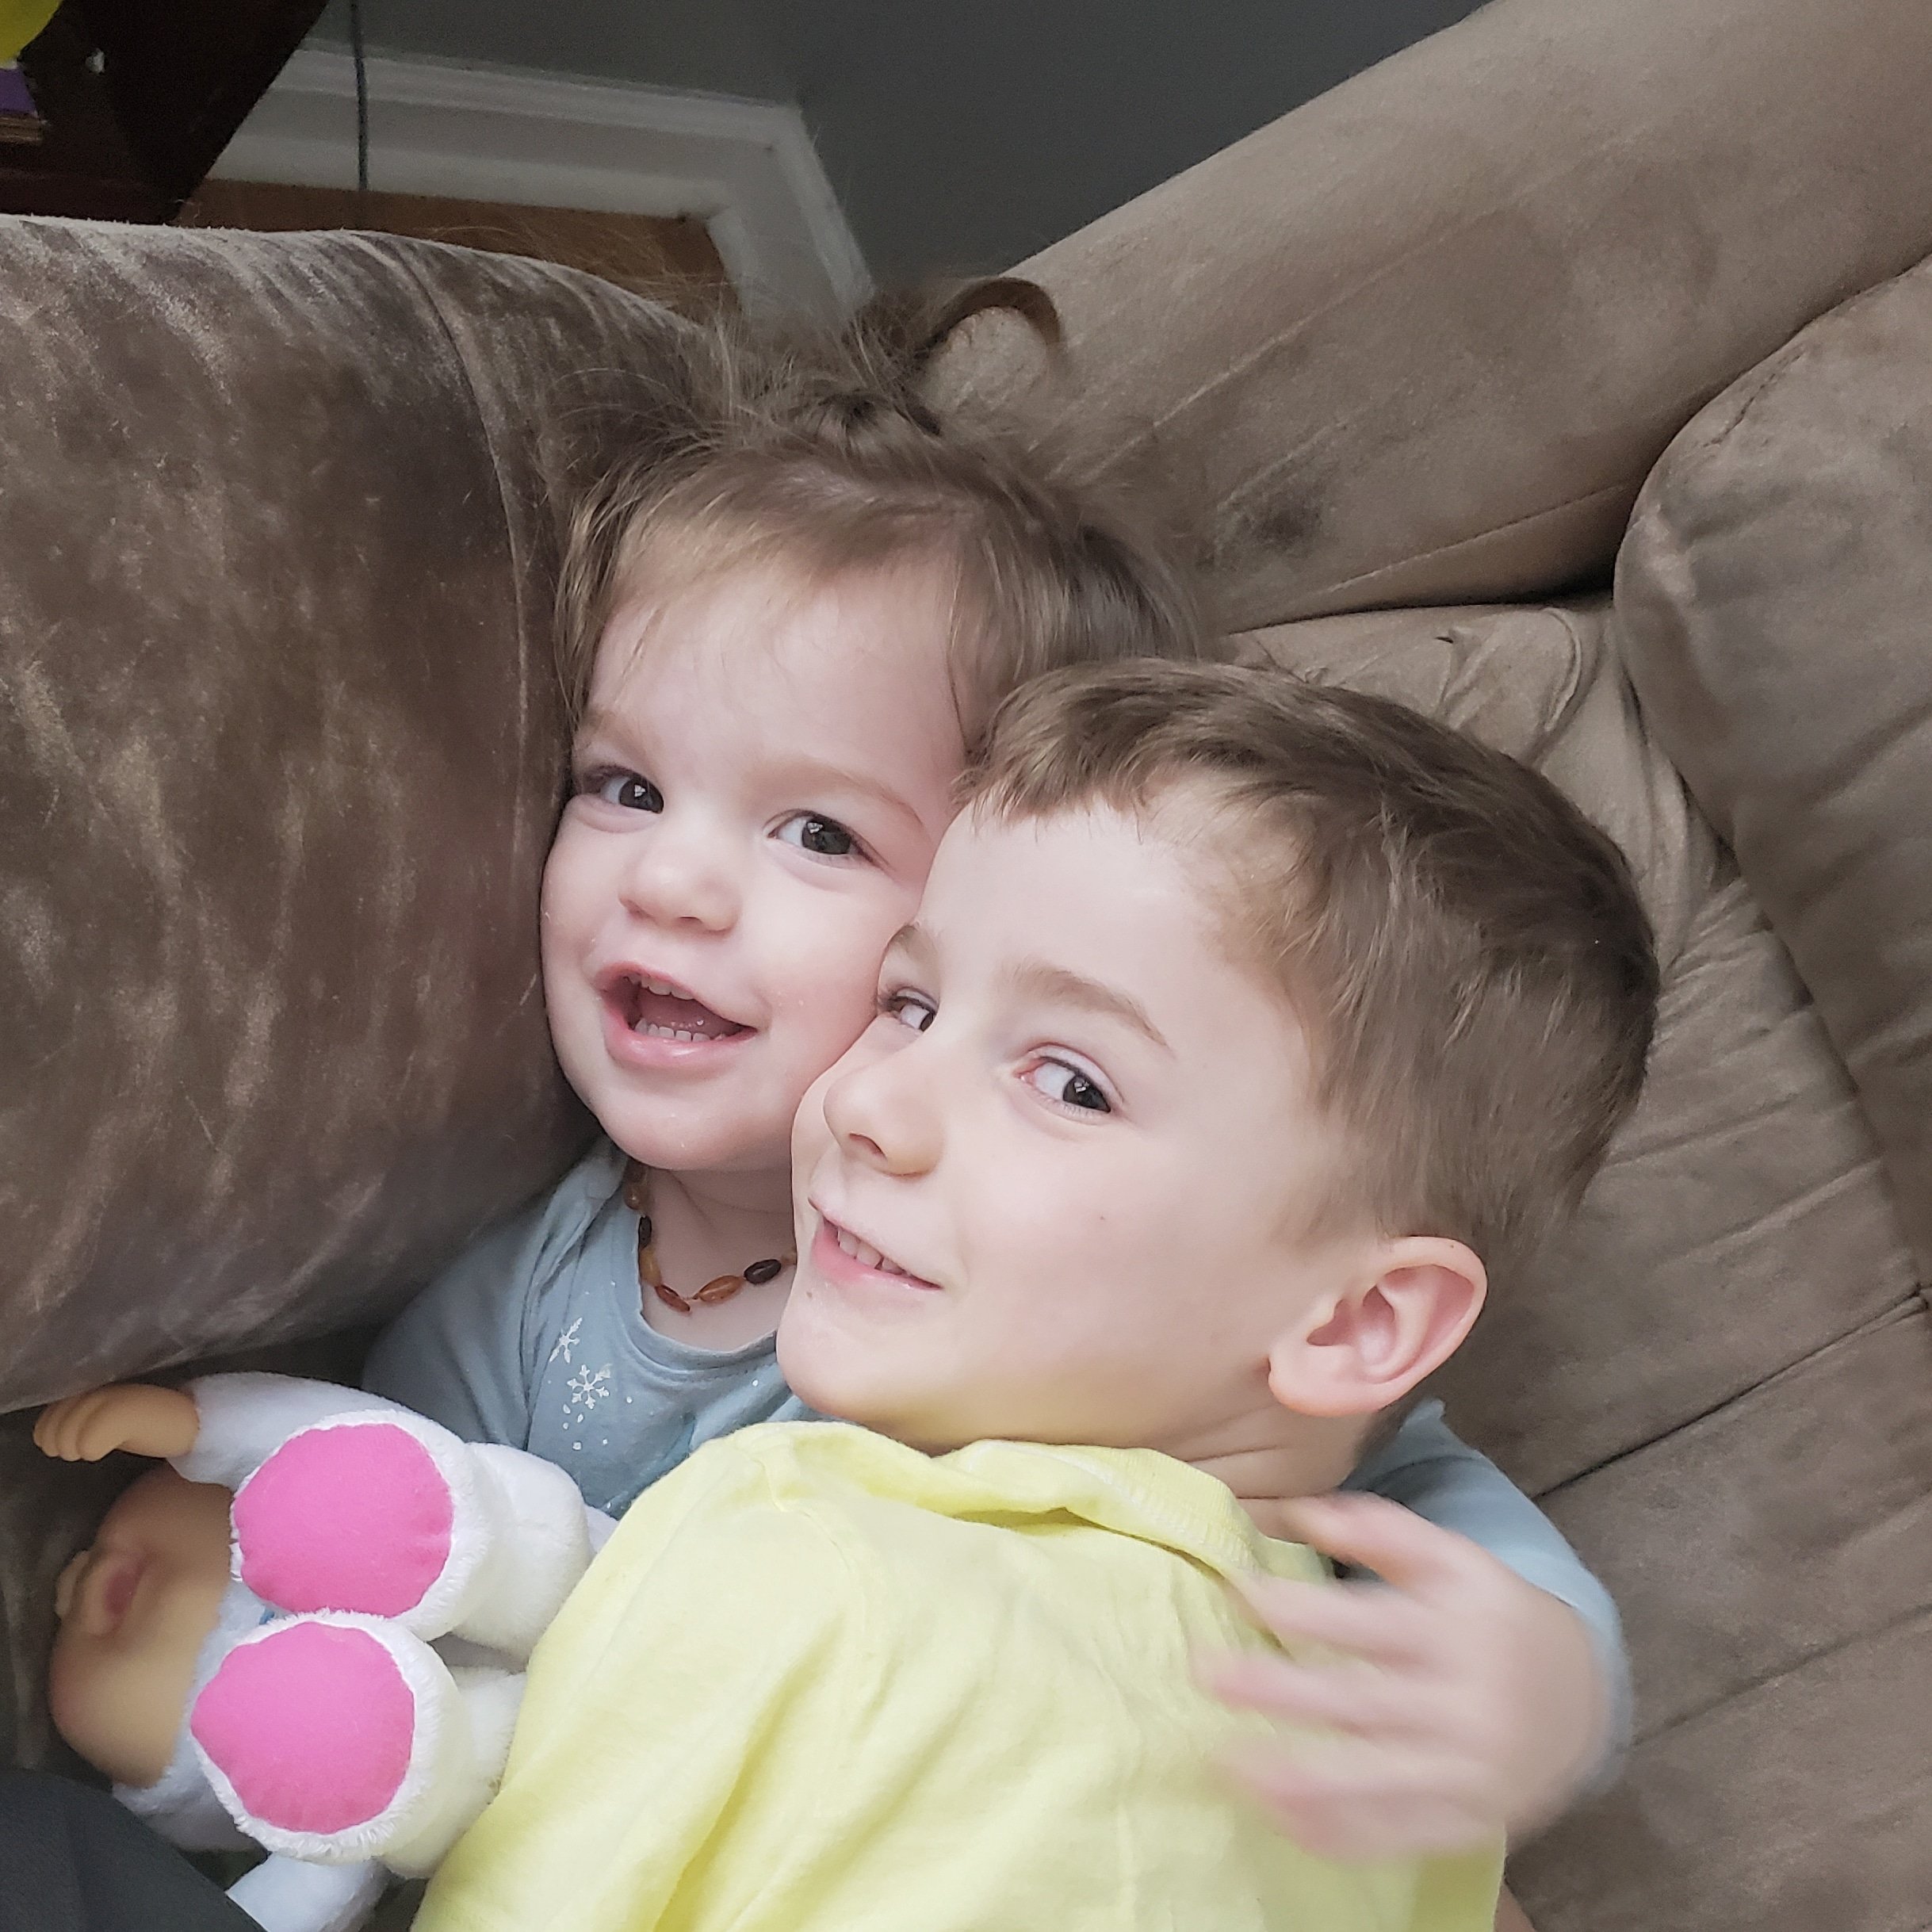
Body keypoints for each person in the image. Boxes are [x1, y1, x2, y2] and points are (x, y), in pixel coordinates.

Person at [360, 293, 1632, 1868]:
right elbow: (369, 1551)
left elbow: (1440, 1530)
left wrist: (1542, 1689)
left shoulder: (1120, 1347)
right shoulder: (521, 1300)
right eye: (621, 786)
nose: (674, 880)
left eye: (818, 833)